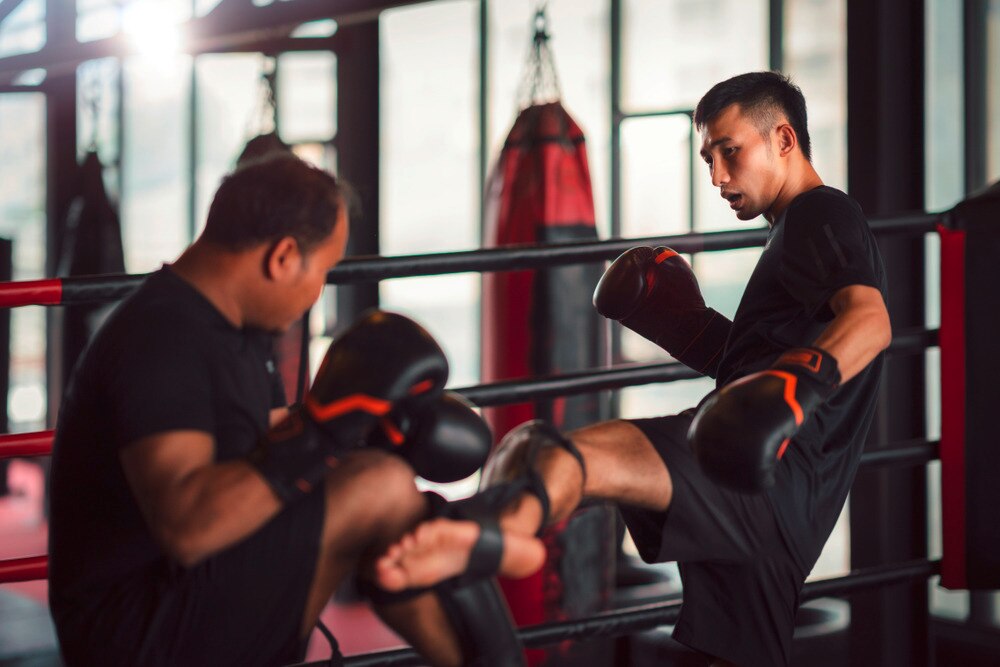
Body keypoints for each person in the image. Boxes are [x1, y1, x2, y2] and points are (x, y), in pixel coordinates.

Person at [374, 71, 892, 667]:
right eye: (708, 158)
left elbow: (870, 321)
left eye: (730, 151)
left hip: (762, 478)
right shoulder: (791, 233)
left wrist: (789, 389)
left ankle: (493, 537)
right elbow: (758, 363)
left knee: (549, 454)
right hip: (772, 492)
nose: (718, 176)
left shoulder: (821, 213)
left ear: (783, 139)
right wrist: (686, 326)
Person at [46, 155, 540, 667]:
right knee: (380, 487)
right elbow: (187, 529)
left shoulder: (237, 332)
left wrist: (365, 429)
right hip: (135, 633)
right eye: (322, 270)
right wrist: (326, 430)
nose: (317, 292)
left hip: (188, 596)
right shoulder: (161, 338)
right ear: (283, 257)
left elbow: (263, 445)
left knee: (389, 494)